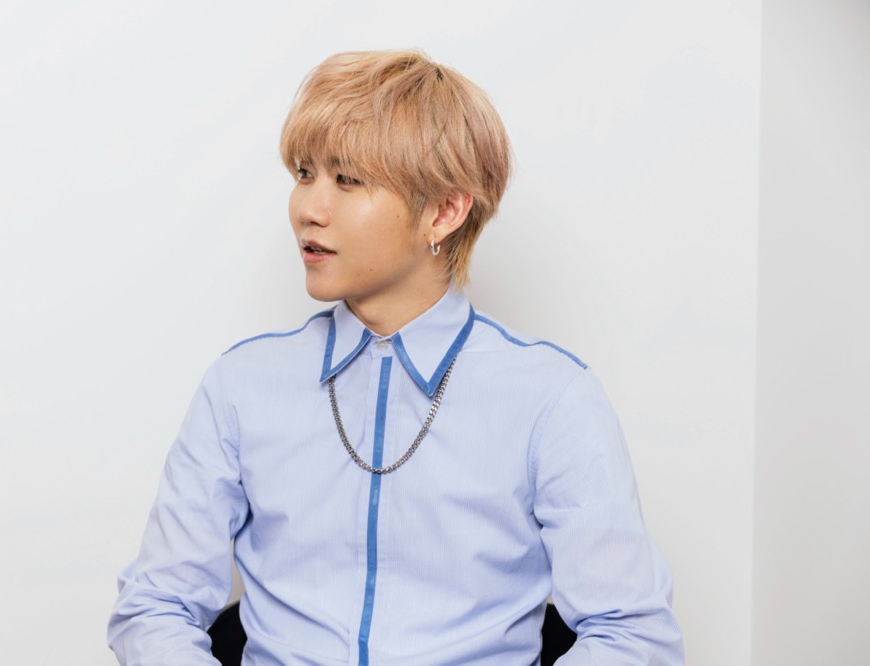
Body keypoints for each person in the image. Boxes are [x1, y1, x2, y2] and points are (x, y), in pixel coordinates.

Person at [108, 50, 683, 665]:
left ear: (444, 211)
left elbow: (632, 634)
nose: (308, 209)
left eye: (347, 180)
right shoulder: (240, 387)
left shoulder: (551, 399)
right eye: (304, 173)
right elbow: (154, 606)